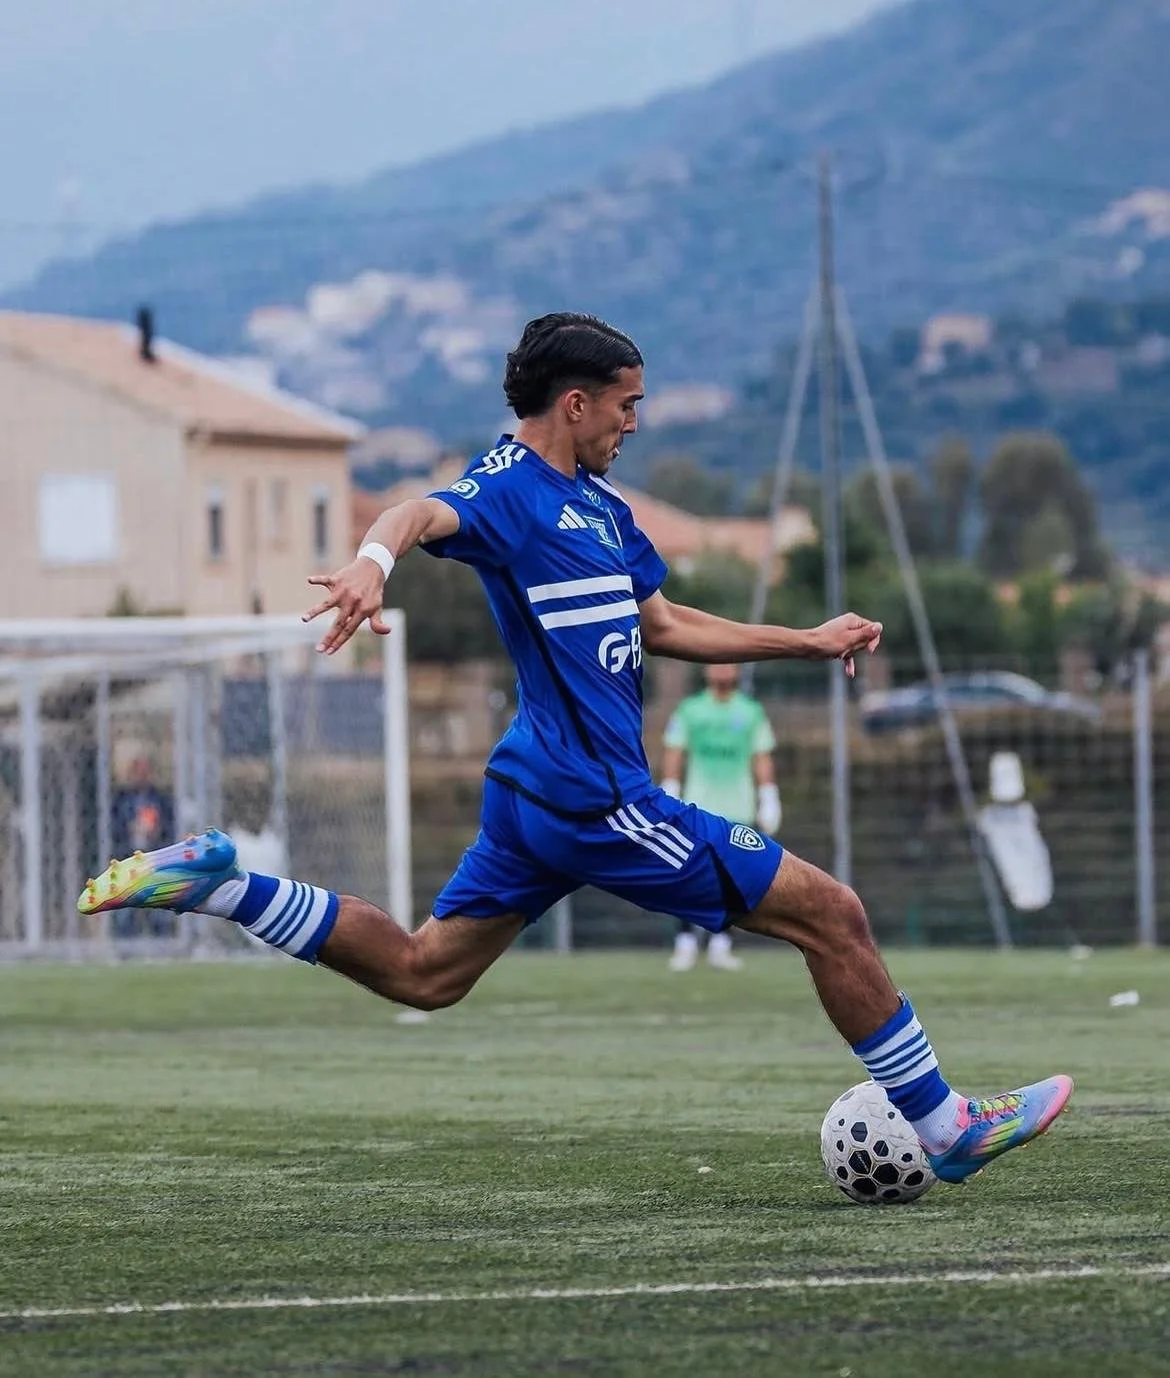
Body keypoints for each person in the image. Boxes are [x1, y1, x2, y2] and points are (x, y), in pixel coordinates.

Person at [80, 313, 1071, 1184]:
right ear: (575, 403)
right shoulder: (510, 488)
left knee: (428, 972)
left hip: (536, 797)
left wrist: (806, 642)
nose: (633, 424)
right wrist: (372, 563)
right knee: (834, 913)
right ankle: (944, 1127)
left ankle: (221, 882)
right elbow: (420, 512)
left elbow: (665, 620)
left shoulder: (603, 510)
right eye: (626, 406)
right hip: (595, 797)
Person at [661, 663, 780, 972]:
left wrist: (768, 796)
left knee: (732, 881)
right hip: (696, 807)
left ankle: (720, 943)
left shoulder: (751, 712)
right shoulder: (690, 710)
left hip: (738, 809)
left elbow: (761, 755)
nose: (723, 669)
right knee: (686, 874)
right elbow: (675, 750)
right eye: (718, 662)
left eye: (730, 663)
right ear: (706, 669)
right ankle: (685, 941)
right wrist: (670, 787)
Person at [109, 753, 175, 940]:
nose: (141, 776)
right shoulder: (121, 800)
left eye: (145, 771)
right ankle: (125, 948)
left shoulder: (160, 799)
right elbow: (112, 827)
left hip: (155, 858)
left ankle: (161, 945)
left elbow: (169, 827)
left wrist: (157, 831)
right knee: (125, 912)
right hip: (127, 857)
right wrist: (128, 828)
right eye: (137, 771)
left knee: (159, 910)